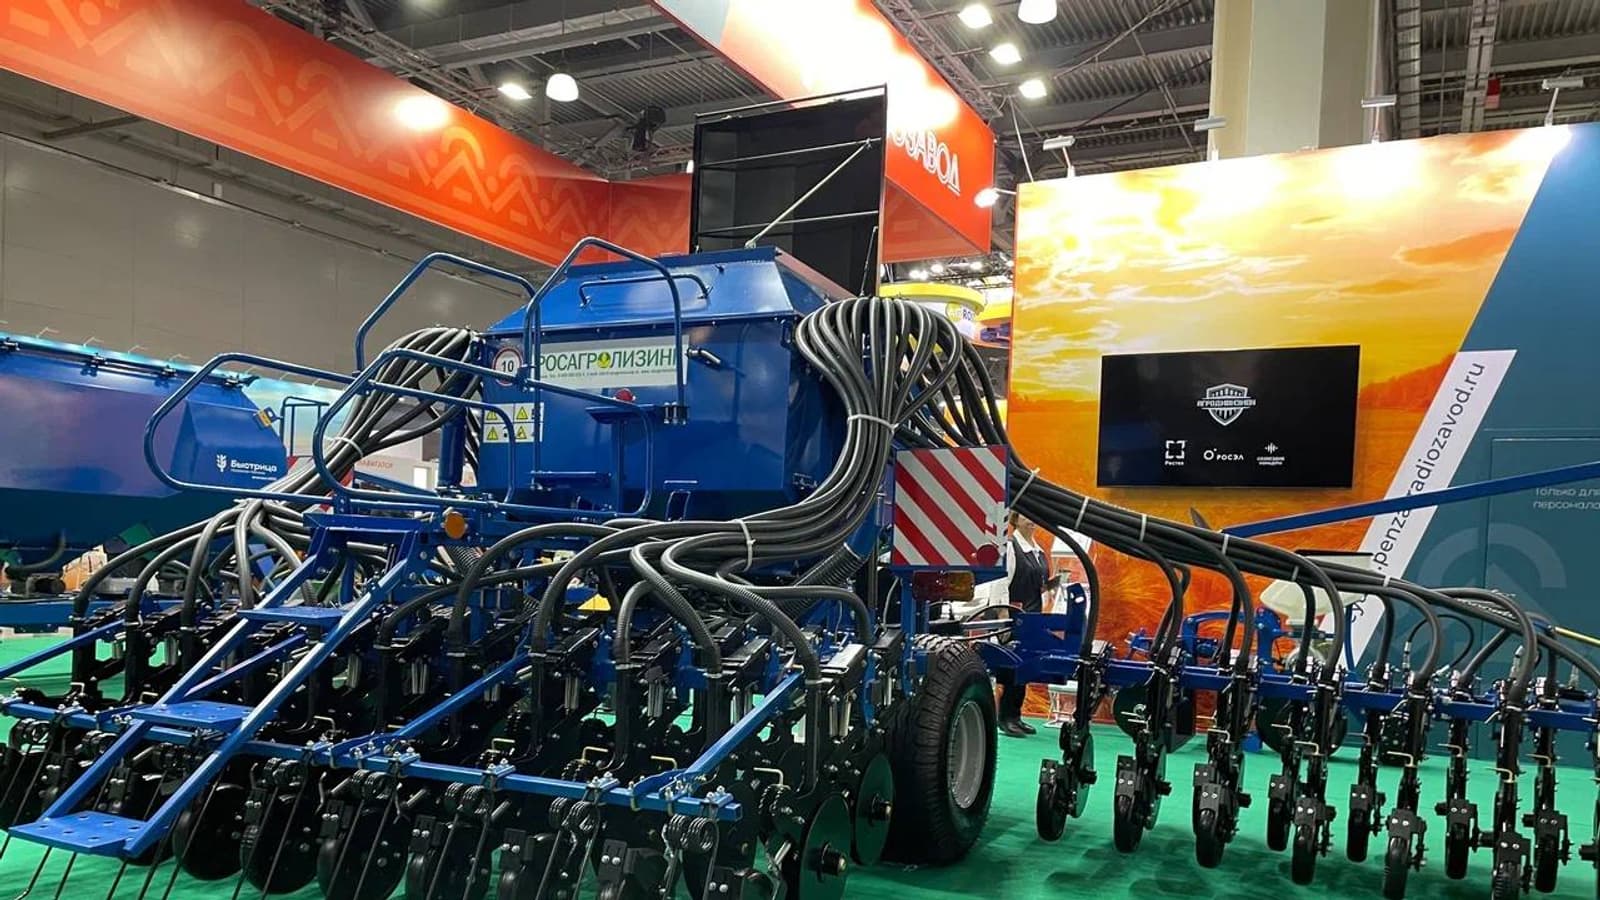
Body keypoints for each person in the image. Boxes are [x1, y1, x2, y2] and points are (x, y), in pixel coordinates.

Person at [997, 513, 1049, 737]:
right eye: (1025, 516)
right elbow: (1001, 583)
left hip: (1033, 617)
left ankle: (1016, 715)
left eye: (1033, 516)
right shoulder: (1011, 547)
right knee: (1012, 668)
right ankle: (1005, 718)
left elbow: (1039, 585)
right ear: (1015, 520)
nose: (1031, 520)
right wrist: (1002, 615)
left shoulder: (1038, 550)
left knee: (1025, 668)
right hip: (1015, 616)